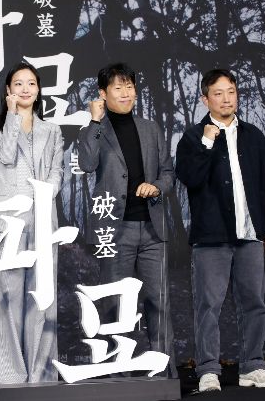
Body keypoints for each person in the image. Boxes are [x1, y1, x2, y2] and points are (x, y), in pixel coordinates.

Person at [175, 69, 265, 392]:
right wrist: (208, 142)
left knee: (254, 303)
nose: (226, 99)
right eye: (218, 93)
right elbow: (190, 178)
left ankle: (253, 366)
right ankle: (208, 370)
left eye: (231, 92)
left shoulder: (254, 136)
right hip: (211, 237)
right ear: (205, 99)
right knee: (209, 305)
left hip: (250, 234)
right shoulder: (193, 138)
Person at [77, 62, 177, 378]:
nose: (125, 93)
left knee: (159, 304)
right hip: (113, 231)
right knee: (116, 305)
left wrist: (156, 186)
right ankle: (119, 380)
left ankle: (164, 375)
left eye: (129, 86)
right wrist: (94, 121)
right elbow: (87, 164)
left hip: (152, 229)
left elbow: (168, 172)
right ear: (103, 94)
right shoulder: (95, 130)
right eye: (118, 87)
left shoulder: (151, 128)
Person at [0, 62, 64, 384]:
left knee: (41, 300)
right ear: (8, 90)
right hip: (5, 223)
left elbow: (57, 170)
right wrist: (13, 115)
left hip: (42, 220)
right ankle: (8, 378)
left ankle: (41, 376)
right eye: (18, 83)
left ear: (39, 89)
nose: (25, 88)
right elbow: (5, 154)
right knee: (6, 300)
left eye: (31, 83)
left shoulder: (52, 130)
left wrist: (47, 192)